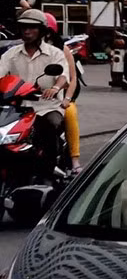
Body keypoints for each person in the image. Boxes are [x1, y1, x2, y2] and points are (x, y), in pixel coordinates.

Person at [0, 9, 70, 172]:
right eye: (24, 27)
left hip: (46, 107)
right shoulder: (11, 54)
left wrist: (55, 88)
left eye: (32, 27)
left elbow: (63, 76)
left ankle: (48, 169)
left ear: (42, 31)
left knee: (50, 125)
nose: (27, 31)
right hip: (17, 108)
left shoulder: (55, 54)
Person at [43, 12, 83, 172]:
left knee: (71, 113)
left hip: (60, 96)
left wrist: (67, 98)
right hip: (36, 97)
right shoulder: (29, 49)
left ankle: (75, 160)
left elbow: (72, 78)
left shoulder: (62, 49)